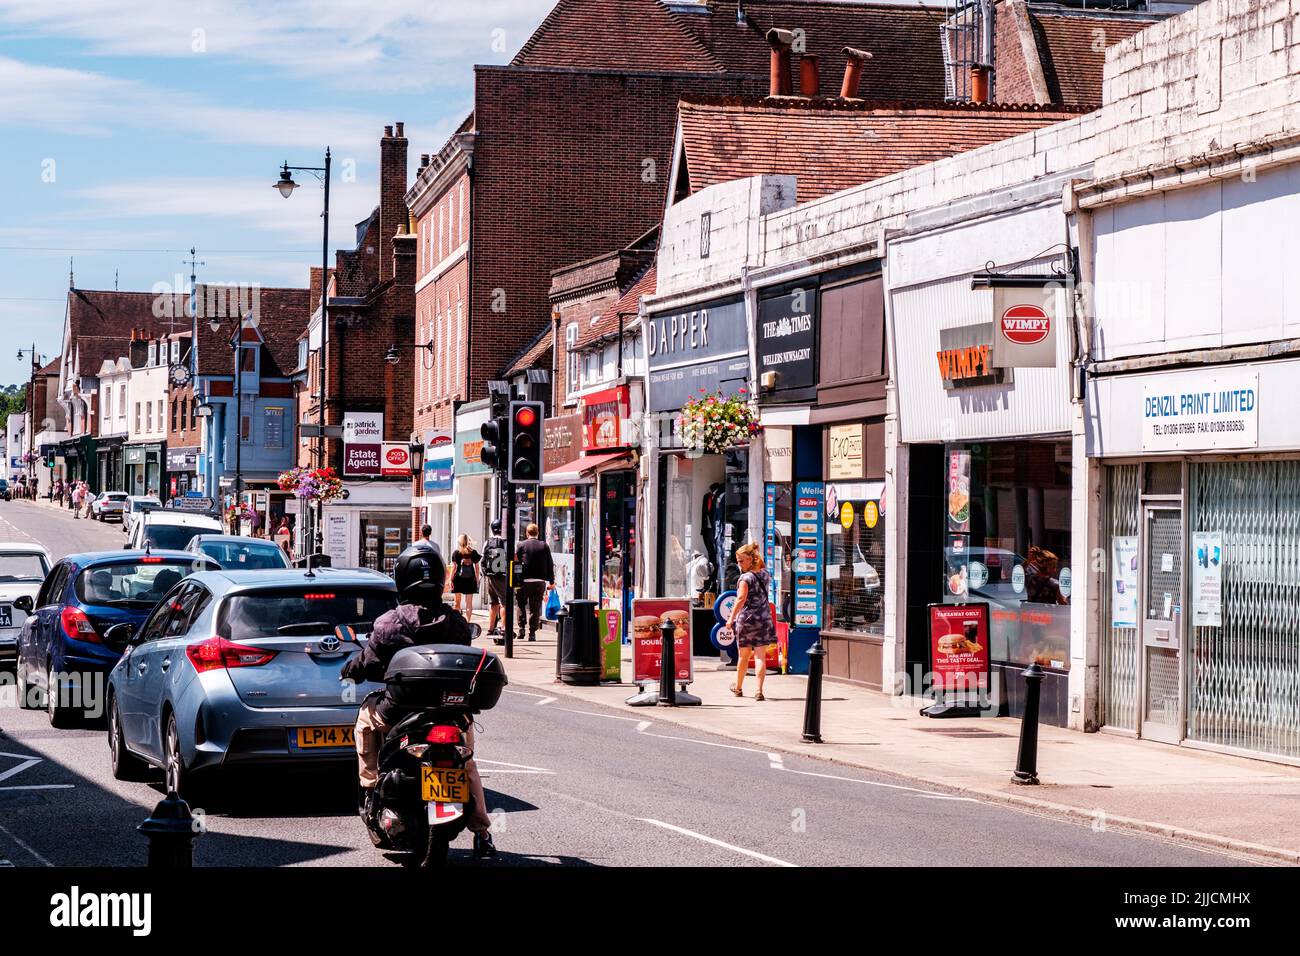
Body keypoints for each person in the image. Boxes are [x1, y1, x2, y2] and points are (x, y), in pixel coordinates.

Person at [342, 545, 496, 859]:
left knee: (364, 722)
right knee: (466, 764)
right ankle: (482, 832)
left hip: (398, 713)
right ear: (440, 578)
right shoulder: (455, 621)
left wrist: (352, 670)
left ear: (401, 578)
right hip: (450, 713)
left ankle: (370, 788)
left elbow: (369, 663)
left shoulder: (389, 623)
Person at [726, 542, 777, 701]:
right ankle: (758, 690)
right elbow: (760, 563)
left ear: (750, 559)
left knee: (743, 656)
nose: (739, 564)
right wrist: (755, 552)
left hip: (747, 620)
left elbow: (741, 599)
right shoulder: (765, 574)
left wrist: (730, 618)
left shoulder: (745, 578)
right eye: (738, 561)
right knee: (760, 657)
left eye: (742, 561)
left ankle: (739, 688)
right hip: (764, 619)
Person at [514, 523, 554, 643]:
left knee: (520, 604)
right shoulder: (544, 546)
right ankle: (532, 633)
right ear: (538, 532)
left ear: (527, 533)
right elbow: (550, 564)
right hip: (539, 582)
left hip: (523, 581)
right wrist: (551, 581)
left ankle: (521, 628)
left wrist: (515, 578)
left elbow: (515, 561)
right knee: (535, 607)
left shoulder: (521, 545)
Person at [482, 519, 508, 637]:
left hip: (490, 576)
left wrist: (484, 573)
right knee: (504, 602)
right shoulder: (505, 542)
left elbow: (483, 558)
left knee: (493, 602)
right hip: (502, 576)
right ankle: (504, 627)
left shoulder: (487, 542)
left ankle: (491, 628)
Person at [449, 533, 481, 619]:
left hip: (458, 579)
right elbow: (477, 568)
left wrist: (450, 580)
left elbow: (454, 568)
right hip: (470, 580)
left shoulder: (456, 553)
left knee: (457, 602)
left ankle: (457, 622)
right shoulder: (473, 552)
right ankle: (468, 622)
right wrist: (477, 580)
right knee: (469, 603)